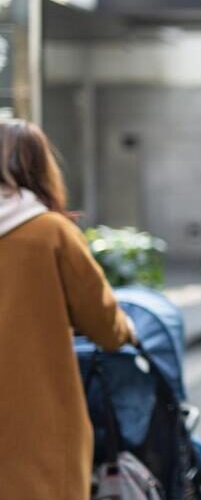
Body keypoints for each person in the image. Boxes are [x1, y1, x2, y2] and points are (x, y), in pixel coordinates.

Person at [0, 118, 136, 500]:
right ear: (39, 167)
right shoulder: (50, 233)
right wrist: (127, 329)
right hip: (36, 422)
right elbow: (105, 324)